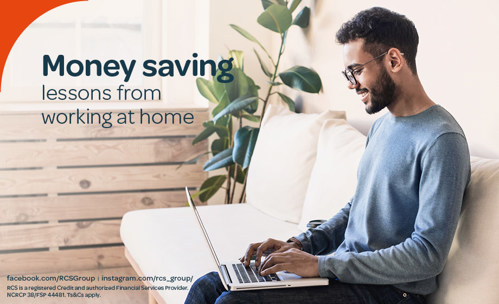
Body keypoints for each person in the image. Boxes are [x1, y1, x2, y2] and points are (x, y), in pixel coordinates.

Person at [185, 7, 470, 304]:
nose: (351, 83)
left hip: (391, 292)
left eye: (356, 70)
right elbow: (357, 207)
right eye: (348, 73)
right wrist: (299, 244)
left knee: (232, 303)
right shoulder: (383, 126)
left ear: (394, 60)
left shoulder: (441, 140)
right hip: (346, 274)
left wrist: (320, 265)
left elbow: (427, 255)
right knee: (208, 286)